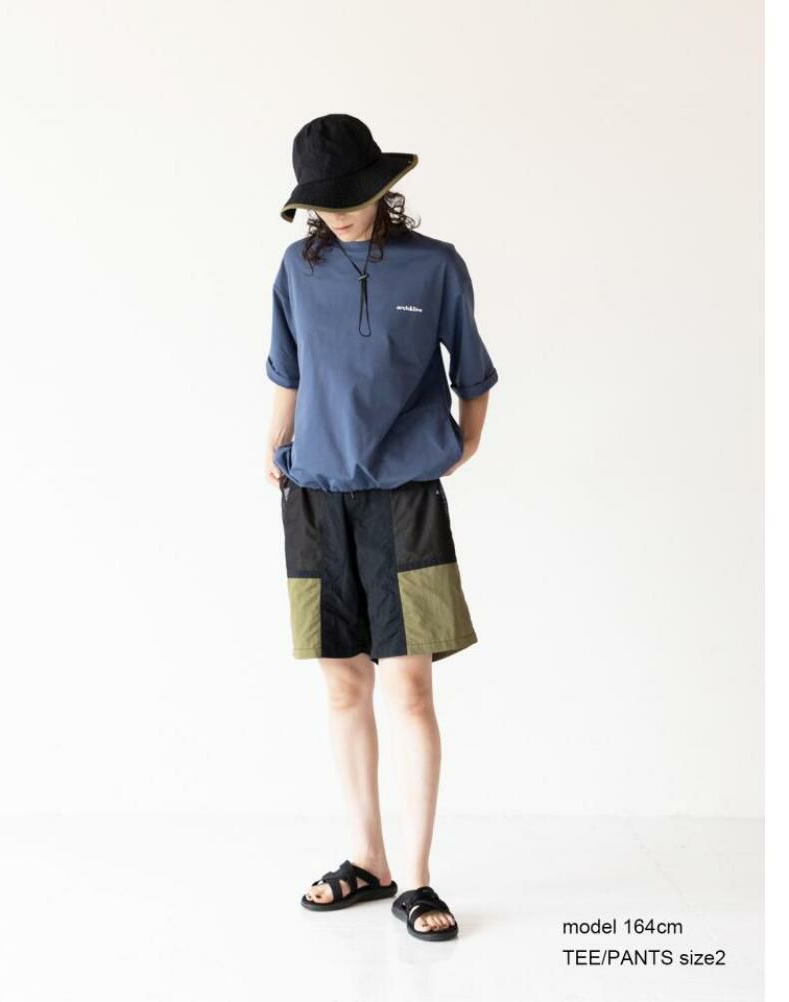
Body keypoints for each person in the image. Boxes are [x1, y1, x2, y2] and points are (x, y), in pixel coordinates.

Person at [264, 113, 498, 942]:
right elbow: (287, 372)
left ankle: (419, 878)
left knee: (409, 688)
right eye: (322, 204)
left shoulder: (435, 266)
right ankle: (368, 860)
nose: (338, 213)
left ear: (383, 186)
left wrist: (463, 444)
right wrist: (272, 449)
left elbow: (473, 371)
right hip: (316, 495)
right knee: (341, 685)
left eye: (351, 197)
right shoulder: (296, 269)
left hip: (403, 498)